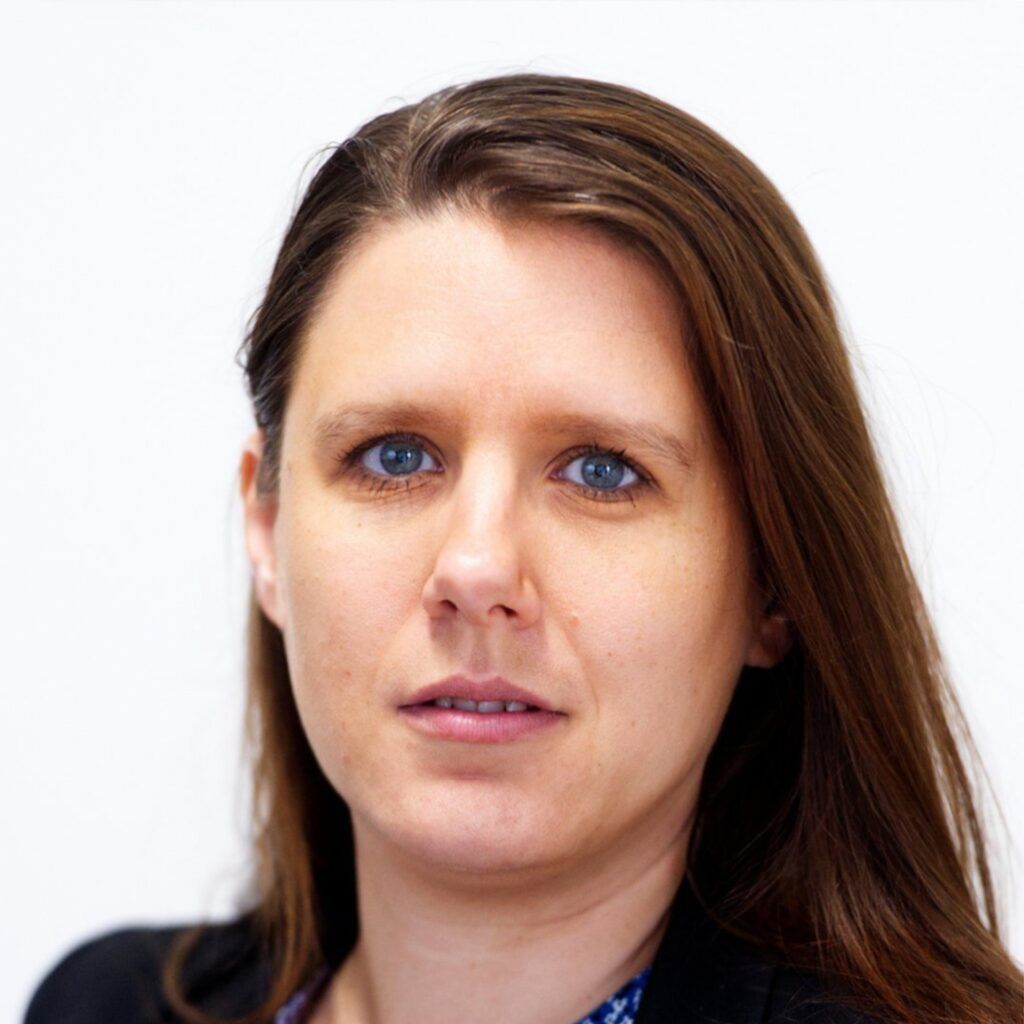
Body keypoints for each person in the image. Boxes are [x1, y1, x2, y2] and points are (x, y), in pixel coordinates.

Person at [24, 72, 1022, 1024]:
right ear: (267, 528)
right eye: (395, 455)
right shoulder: (101, 1004)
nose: (476, 569)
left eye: (602, 471)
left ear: (773, 582)